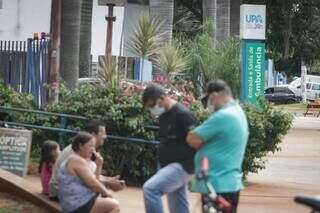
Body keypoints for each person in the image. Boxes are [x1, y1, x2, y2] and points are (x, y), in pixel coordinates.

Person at [186, 80, 249, 213]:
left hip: (217, 184)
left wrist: (203, 143)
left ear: (214, 96)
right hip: (228, 183)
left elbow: (192, 139)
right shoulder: (237, 111)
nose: (209, 104)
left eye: (209, 99)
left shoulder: (223, 116)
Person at [142, 84, 197, 213]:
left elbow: (195, 140)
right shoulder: (163, 115)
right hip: (168, 164)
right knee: (178, 204)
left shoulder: (183, 114)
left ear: (162, 97)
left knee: (150, 189)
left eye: (152, 105)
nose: (152, 110)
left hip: (183, 165)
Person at [49, 120, 124, 199]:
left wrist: (108, 179)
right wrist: (108, 183)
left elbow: (87, 175)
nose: (105, 136)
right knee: (104, 199)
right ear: (93, 134)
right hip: (59, 191)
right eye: (103, 133)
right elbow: (89, 180)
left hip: (62, 189)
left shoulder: (83, 149)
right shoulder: (79, 152)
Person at [57, 131, 119, 213]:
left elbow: (95, 182)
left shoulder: (77, 159)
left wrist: (99, 166)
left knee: (106, 201)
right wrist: (107, 192)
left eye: (94, 146)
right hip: (76, 205)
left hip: (78, 202)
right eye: (90, 146)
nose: (93, 149)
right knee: (114, 205)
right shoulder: (76, 160)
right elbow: (92, 184)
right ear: (80, 146)